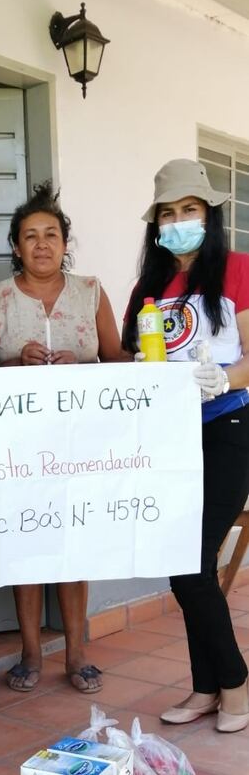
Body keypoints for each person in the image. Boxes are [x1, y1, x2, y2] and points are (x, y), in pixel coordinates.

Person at [0, 181, 125, 694]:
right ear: (15, 245)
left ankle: (78, 653)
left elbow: (115, 357)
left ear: (65, 242)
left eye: (51, 235)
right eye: (30, 236)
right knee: (27, 542)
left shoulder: (91, 291)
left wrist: (151, 364)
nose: (41, 244)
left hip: (81, 443)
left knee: (74, 542)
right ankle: (31, 653)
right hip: (17, 448)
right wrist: (16, 362)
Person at [123, 158, 249, 733]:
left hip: (228, 429)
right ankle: (206, 688)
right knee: (182, 564)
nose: (179, 222)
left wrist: (226, 379)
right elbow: (129, 363)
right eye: (168, 214)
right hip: (170, 437)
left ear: (210, 215)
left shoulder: (240, 270)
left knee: (193, 564)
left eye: (189, 210)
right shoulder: (148, 287)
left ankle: (235, 685)